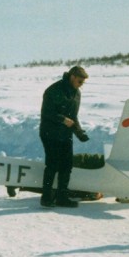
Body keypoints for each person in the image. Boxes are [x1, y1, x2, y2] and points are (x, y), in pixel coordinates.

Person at [39, 65, 90, 208]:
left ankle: (62, 197)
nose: (81, 85)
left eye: (83, 83)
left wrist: (79, 132)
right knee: (53, 164)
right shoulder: (54, 90)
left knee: (67, 165)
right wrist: (62, 119)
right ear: (72, 77)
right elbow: (47, 113)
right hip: (50, 132)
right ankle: (46, 197)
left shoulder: (76, 93)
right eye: (80, 81)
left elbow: (73, 116)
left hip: (65, 134)